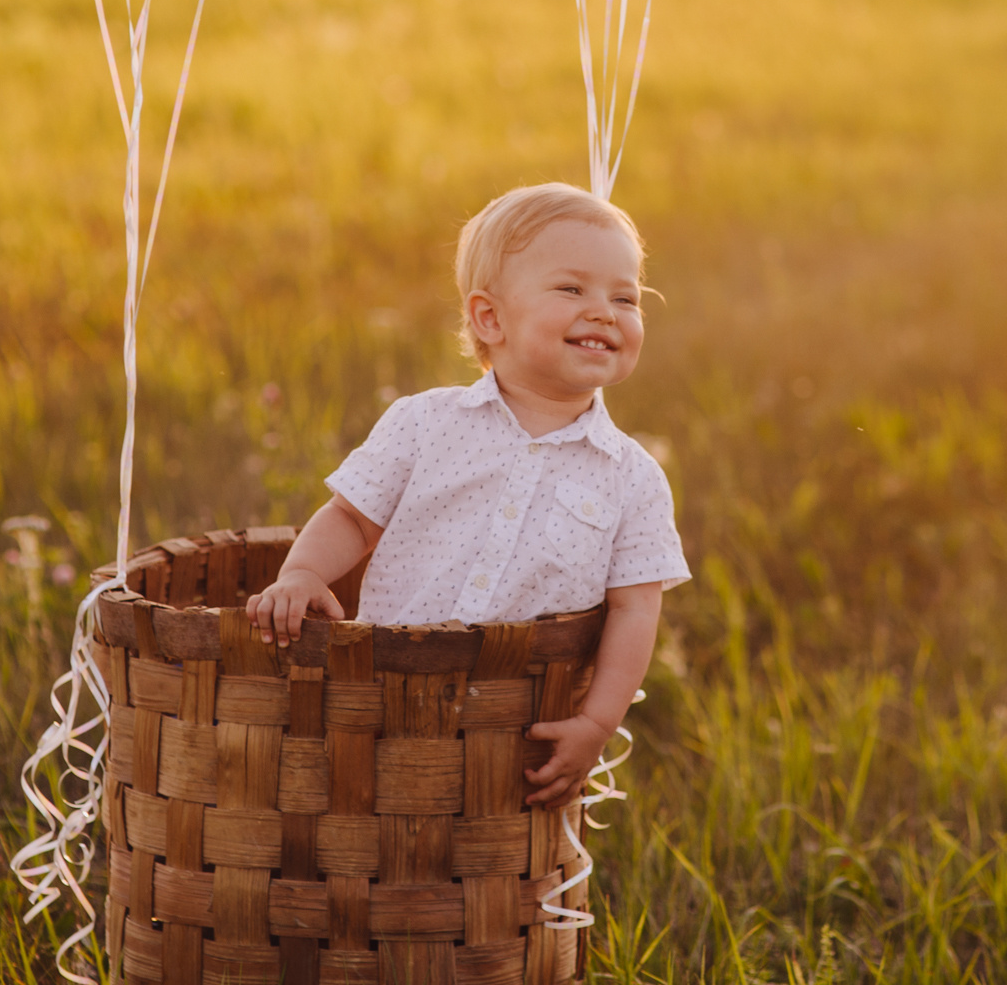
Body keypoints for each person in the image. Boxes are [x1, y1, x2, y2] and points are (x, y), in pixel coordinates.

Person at [246, 182, 690, 809]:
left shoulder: (633, 475)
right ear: (490, 318)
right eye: (571, 289)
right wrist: (302, 574)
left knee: (477, 855)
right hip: (382, 691)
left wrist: (596, 724)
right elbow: (352, 516)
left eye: (625, 296)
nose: (604, 311)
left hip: (513, 729)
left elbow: (635, 611)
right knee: (358, 817)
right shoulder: (425, 423)